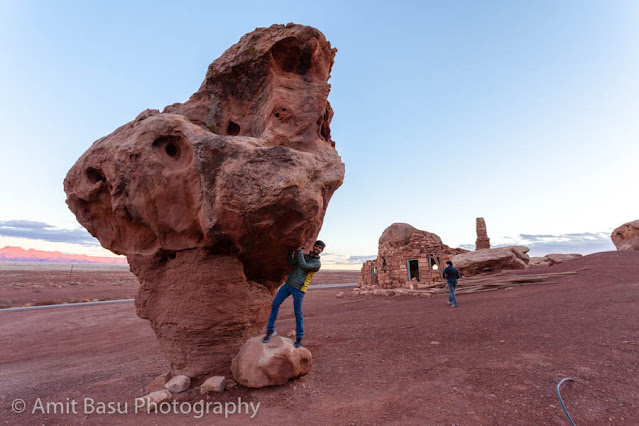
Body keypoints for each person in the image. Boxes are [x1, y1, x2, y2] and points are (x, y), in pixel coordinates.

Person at [263, 240, 325, 348]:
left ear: (321, 251)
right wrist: (291, 252)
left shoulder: (317, 264)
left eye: (320, 248)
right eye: (317, 246)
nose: (317, 248)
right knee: (275, 304)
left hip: (299, 289)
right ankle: (270, 331)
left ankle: (299, 338)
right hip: (288, 285)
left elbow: (304, 265)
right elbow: (291, 263)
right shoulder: (304, 255)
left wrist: (299, 252)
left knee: (297, 312)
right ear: (313, 246)